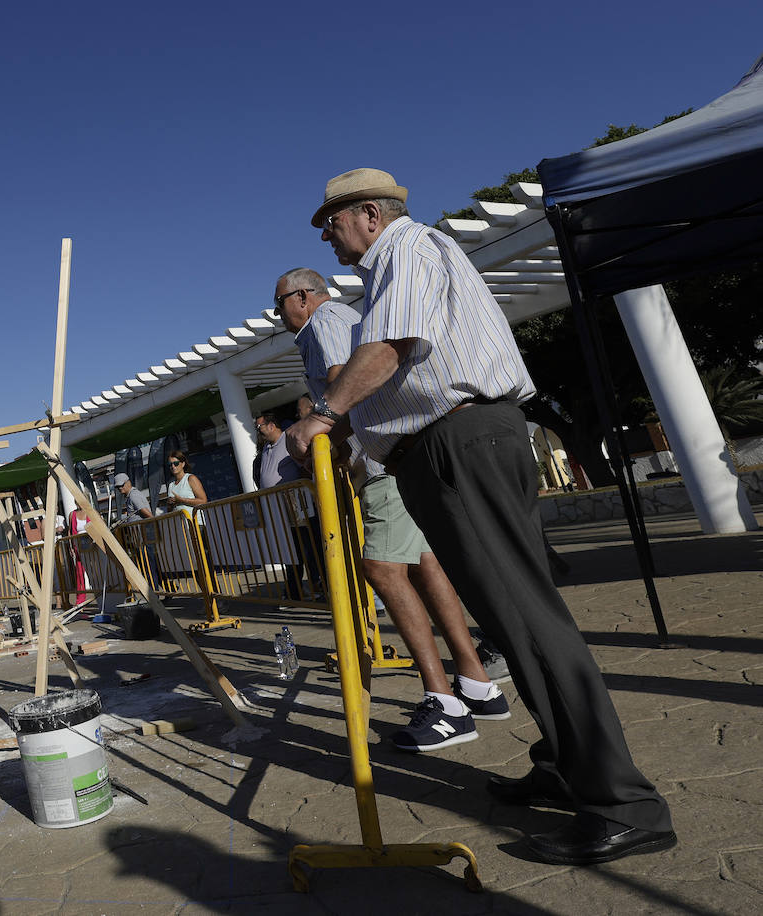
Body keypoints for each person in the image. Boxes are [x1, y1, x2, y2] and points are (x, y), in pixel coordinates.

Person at [287, 169, 673, 864]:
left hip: (459, 441)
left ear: (370, 214)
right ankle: (565, 762)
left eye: (332, 222)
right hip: (446, 446)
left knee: (524, 618)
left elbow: (390, 348)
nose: (327, 234)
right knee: (509, 618)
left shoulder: (405, 248)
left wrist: (324, 415)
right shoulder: (391, 265)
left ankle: (623, 803)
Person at [275, 265, 507, 751]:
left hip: (380, 464)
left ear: (301, 297)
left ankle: (444, 703)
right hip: (387, 461)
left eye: (280, 305)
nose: (279, 317)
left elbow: (345, 385)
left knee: (381, 567)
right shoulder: (337, 321)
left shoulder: (326, 322)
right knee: (425, 568)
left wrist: (321, 439)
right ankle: (476, 682)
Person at [255, 408, 321, 601]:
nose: (257, 430)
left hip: (296, 502)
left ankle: (318, 585)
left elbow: (305, 469)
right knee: (290, 549)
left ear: (271, 425)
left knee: (308, 546)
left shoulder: (288, 441)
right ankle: (294, 590)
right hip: (277, 506)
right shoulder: (266, 449)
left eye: (259, 426)